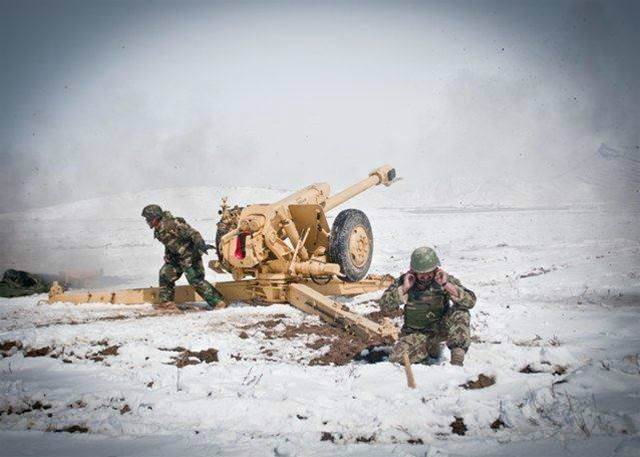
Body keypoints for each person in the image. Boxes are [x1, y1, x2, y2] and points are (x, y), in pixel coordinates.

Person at [378, 246, 476, 366]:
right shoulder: (405, 281)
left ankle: (457, 358)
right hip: (416, 334)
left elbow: (470, 302)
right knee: (396, 358)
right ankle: (428, 348)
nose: (426, 277)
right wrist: (404, 289)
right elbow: (384, 307)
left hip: (441, 328)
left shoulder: (443, 279)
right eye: (422, 274)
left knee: (461, 311)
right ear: (413, 271)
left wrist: (446, 285)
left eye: (429, 273)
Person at [141, 204, 226, 311]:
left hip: (190, 255)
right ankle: (166, 303)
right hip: (177, 257)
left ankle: (218, 302)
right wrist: (167, 254)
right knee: (165, 274)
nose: (147, 221)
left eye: (148, 218)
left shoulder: (172, 224)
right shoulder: (158, 229)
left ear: (156, 216)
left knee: (195, 279)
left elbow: (193, 233)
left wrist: (201, 244)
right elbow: (169, 243)